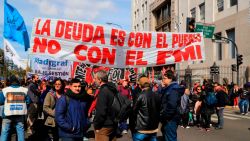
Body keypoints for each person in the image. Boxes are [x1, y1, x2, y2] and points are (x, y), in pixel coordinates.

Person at [0, 75, 30, 141]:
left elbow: (1, 101)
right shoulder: (24, 90)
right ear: (18, 81)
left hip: (7, 115)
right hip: (20, 114)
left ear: (10, 81)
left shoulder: (5, 90)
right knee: (20, 132)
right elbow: (28, 101)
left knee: (5, 132)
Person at [132, 77, 161, 141]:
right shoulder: (157, 95)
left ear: (140, 85)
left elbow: (134, 111)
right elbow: (160, 110)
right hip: (153, 127)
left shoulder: (140, 95)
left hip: (142, 128)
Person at [160, 70, 185, 141]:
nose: (163, 80)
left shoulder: (173, 89)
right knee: (167, 135)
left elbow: (172, 105)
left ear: (170, 78)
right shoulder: (169, 88)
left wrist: (165, 116)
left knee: (170, 138)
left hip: (170, 118)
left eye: (164, 78)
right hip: (170, 117)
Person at [93, 70, 117, 141]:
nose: (94, 80)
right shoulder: (112, 89)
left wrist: (97, 125)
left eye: (95, 78)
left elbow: (101, 111)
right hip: (113, 123)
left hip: (104, 126)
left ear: (100, 80)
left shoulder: (103, 91)